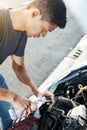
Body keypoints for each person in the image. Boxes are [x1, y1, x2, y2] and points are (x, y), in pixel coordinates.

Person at [0, 0, 67, 129]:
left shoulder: (21, 34)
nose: (43, 35)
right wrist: (13, 97)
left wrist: (36, 92)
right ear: (35, 13)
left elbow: (18, 67)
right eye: (44, 29)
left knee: (9, 114)